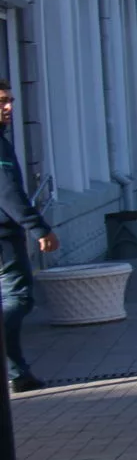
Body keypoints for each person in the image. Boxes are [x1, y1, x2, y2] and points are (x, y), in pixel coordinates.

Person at [0, 83, 58, 392]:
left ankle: (17, 373)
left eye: (10, 101)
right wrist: (39, 227)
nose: (8, 107)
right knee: (18, 297)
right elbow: (7, 192)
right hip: (3, 238)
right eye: (1, 102)